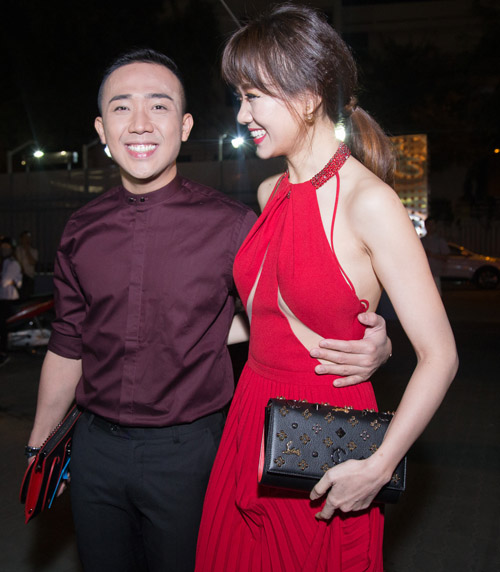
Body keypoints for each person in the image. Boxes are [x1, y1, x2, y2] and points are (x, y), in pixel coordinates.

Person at [25, 48, 391, 572]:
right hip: (94, 451)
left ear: (185, 126)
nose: (140, 123)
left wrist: (375, 340)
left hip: (191, 454)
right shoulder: (80, 230)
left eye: (159, 105)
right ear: (102, 129)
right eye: (122, 107)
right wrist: (39, 446)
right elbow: (67, 345)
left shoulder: (234, 225)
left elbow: (292, 309)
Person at [195, 5, 458, 572]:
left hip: (322, 431)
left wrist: (380, 465)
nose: (241, 114)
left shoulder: (371, 203)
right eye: (239, 97)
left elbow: (440, 355)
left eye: (252, 97)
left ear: (309, 96)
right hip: (249, 417)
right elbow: (265, 316)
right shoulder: (270, 192)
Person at [0, 236, 23, 366]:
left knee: (2, 326)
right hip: (4, 297)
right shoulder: (5, 262)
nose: (4, 250)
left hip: (9, 299)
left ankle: (3, 352)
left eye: (6, 248)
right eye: (2, 248)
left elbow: (4, 282)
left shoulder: (13, 263)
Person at [421, 216, 450, 295]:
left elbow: (446, 257)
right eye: (428, 225)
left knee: (436, 295)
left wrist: (432, 255)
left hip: (435, 274)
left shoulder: (440, 240)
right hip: (422, 275)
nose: (430, 227)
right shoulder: (421, 241)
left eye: (432, 225)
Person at [15, 230, 39, 299]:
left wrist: (27, 250)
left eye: (28, 238)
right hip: (18, 278)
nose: (27, 240)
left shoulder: (34, 251)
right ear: (21, 239)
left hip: (29, 278)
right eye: (25, 238)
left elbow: (33, 262)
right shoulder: (16, 250)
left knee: (28, 298)